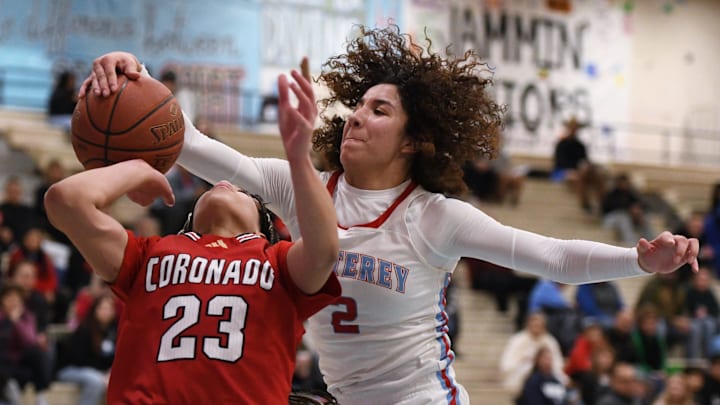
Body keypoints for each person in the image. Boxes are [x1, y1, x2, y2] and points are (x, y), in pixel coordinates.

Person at [82, 25, 699, 404]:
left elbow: (556, 258)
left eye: (380, 111)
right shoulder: (296, 182)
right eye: (358, 106)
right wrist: (128, 66)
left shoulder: (434, 217)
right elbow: (184, 139)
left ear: (412, 141)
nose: (356, 116)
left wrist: (640, 261)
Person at [47, 67, 341, 403]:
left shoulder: (277, 262)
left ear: (265, 228)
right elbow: (64, 201)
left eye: (245, 192)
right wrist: (138, 168)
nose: (225, 184)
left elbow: (325, 250)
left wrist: (299, 156)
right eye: (217, 186)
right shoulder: (148, 255)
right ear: (189, 221)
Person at [56, 294, 118, 405]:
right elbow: (79, 359)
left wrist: (110, 372)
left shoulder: (114, 331)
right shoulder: (85, 329)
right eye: (102, 308)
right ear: (95, 309)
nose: (106, 312)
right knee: (95, 381)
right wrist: (103, 374)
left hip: (99, 372)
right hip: (71, 369)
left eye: (109, 309)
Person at [552, 117, 606, 214]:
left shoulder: (580, 145)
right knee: (579, 177)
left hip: (580, 171)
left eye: (575, 127)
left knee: (597, 175)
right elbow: (559, 162)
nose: (574, 129)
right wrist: (575, 169)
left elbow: (585, 160)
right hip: (563, 171)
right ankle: (584, 203)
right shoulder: (561, 144)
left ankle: (602, 204)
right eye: (572, 127)